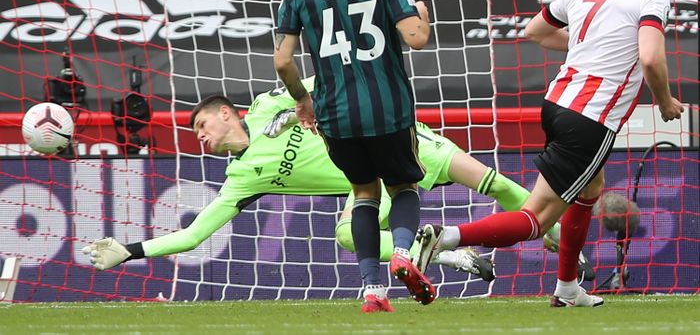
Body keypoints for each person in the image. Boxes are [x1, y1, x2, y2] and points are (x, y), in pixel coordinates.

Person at [82, 79, 568, 299]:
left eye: (202, 125)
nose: (201, 137)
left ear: (226, 113)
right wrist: (130, 251)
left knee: (495, 183)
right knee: (347, 234)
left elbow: (325, 81)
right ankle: (447, 254)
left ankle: (560, 240)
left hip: (400, 143)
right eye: (196, 134)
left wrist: (299, 106)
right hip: (366, 183)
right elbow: (193, 236)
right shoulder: (241, 179)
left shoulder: (267, 105)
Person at [414, 0, 684, 308]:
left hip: (557, 102)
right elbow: (651, 57)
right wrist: (666, 101)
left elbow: (535, 30)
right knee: (537, 218)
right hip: (591, 116)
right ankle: (446, 238)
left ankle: (568, 287)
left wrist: (587, 45)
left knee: (589, 190)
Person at [272, 0, 435, 312]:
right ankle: (403, 253)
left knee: (363, 191)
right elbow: (416, 39)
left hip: (335, 113)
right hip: (388, 107)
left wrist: (302, 99)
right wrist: (423, 16)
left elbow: (283, 61)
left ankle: (372, 290)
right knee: (402, 186)